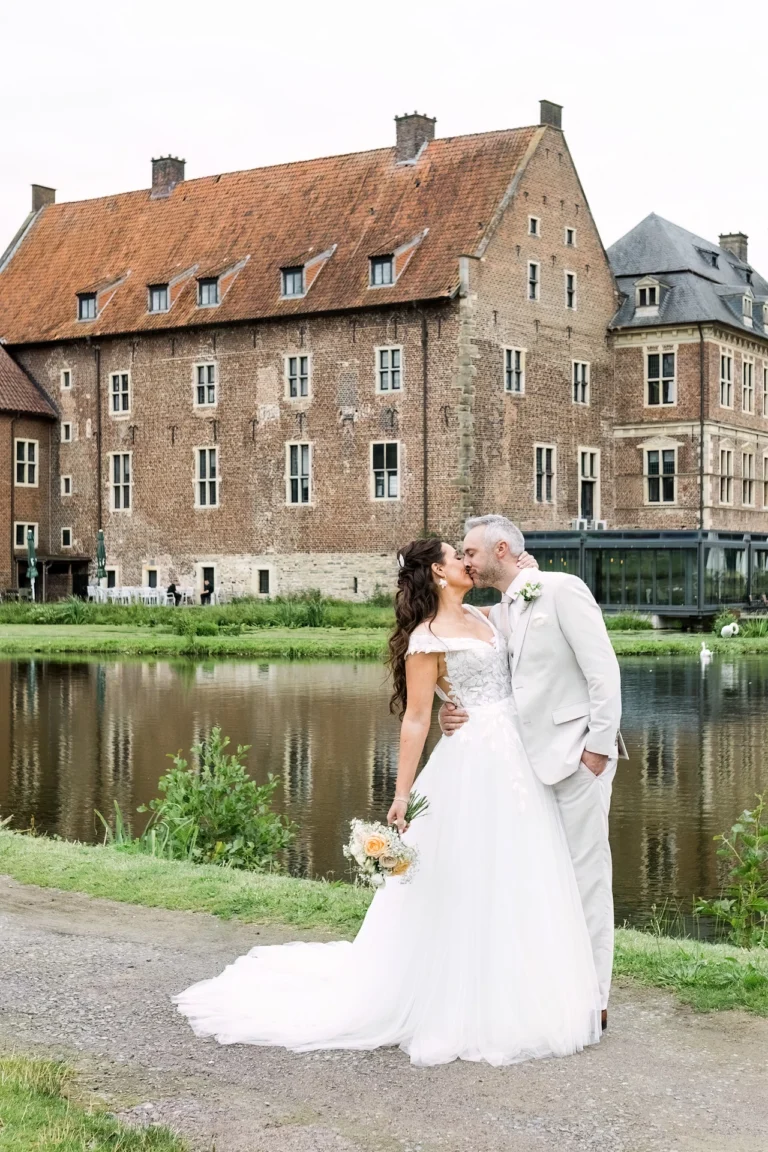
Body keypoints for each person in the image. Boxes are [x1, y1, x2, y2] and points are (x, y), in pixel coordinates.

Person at [174, 538, 603, 1067]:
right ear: (438, 574)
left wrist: (527, 568)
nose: (466, 562)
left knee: (518, 871)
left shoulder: (487, 616)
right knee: (464, 876)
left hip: (519, 756)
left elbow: (521, 604)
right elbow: (417, 718)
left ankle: (523, 983)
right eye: (455, 556)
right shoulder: (427, 639)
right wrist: (401, 794)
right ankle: (461, 1000)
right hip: (471, 763)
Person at [445, 514, 627, 1029]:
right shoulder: (507, 608)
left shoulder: (562, 590)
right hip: (528, 767)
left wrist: (597, 750)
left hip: (577, 760)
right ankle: (556, 987)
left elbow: (603, 672)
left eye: (472, 552)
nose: (466, 560)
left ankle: (596, 997)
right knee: (550, 879)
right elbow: (468, 648)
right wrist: (449, 707)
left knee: (588, 878)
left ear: (500, 549)